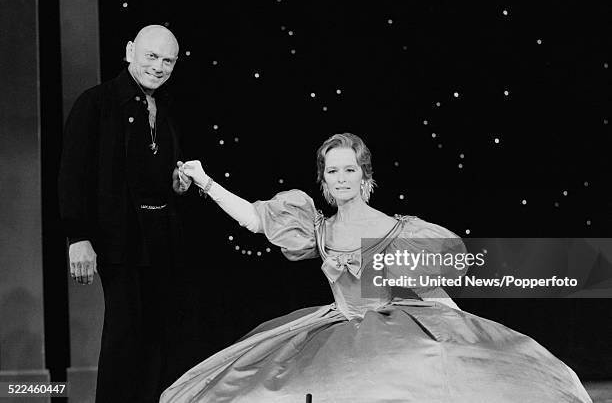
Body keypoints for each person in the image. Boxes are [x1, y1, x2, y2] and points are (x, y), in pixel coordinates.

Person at [162, 133, 591, 402]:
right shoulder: (318, 227)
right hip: (338, 326)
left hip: (391, 326)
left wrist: (459, 326)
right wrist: (206, 182)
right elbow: (255, 219)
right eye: (333, 171)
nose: (342, 177)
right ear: (323, 180)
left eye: (350, 169)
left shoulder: (393, 229)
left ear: (364, 175)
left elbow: (434, 281)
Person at [58, 25, 191, 402]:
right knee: (124, 337)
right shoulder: (96, 102)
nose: (159, 67)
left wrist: (175, 185)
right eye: (151, 56)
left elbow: (152, 172)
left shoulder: (164, 109)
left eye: (168, 61)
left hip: (162, 236)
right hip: (120, 239)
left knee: (158, 338)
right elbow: (72, 173)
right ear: (130, 50)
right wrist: (78, 236)